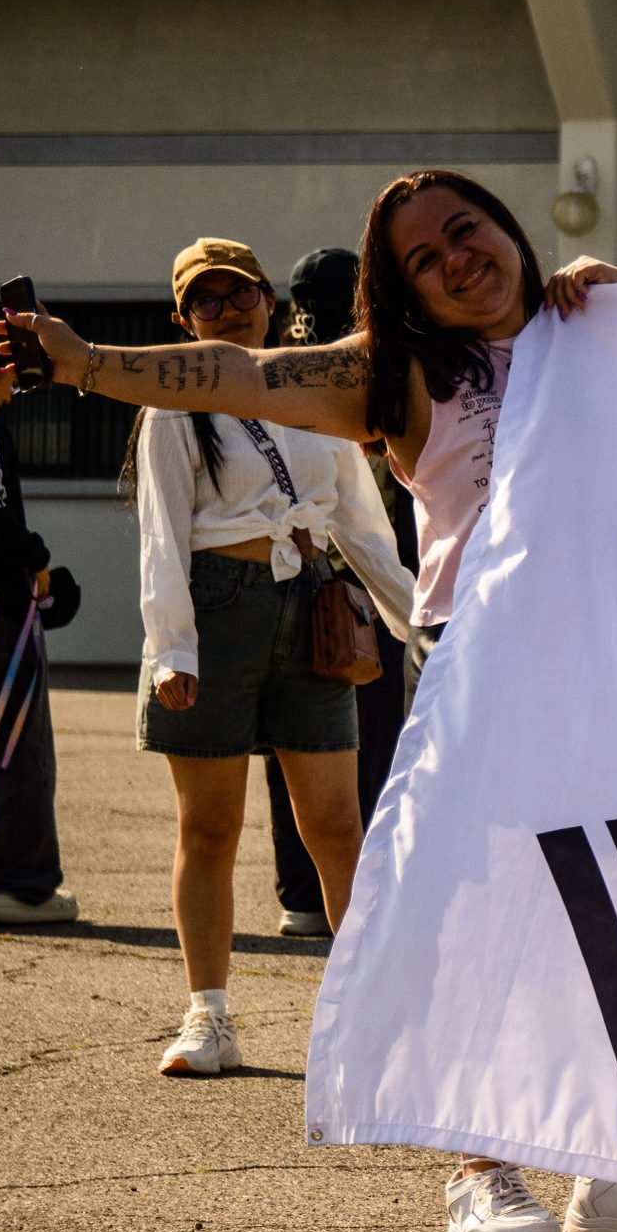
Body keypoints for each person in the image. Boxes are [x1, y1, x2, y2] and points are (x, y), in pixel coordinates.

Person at [2, 171, 617, 1232]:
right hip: (482, 662)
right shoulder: (393, 379)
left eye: (463, 232)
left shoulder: (595, 331)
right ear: (401, 292)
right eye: (421, 260)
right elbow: (242, 375)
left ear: (508, 230)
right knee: (485, 924)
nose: (453, 260)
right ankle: (479, 1172)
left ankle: (616, 1174)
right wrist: (89, 363)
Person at [127, 239, 411, 1079]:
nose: (226, 311)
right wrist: (170, 646)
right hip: (218, 607)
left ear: (267, 300)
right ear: (183, 319)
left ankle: (369, 1021)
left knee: (336, 825)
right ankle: (207, 1017)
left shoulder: (311, 384)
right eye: (205, 302)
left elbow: (362, 520)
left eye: (238, 295)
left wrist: (419, 620)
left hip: (317, 606)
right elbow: (161, 536)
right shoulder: (173, 405)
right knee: (210, 827)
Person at [260, 243, 404, 941]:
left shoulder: (278, 378)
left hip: (282, 585)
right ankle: (354, 892)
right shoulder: (371, 375)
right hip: (360, 601)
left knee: (287, 748)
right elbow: (381, 511)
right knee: (360, 750)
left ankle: (300, 894)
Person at [0, 310, 74, 930]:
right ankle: (22, 890)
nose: (14, 389)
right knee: (18, 752)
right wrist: (39, 564)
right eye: (10, 373)